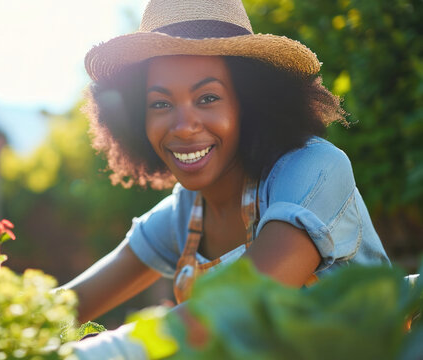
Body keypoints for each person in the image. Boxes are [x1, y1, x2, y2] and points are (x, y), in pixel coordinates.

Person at [64, 0, 390, 358]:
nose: (183, 126)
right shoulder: (184, 214)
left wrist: (93, 353)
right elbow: (67, 306)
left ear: (247, 103)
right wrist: (1, 328)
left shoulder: (315, 169)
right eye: (160, 104)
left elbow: (240, 306)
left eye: (207, 98)